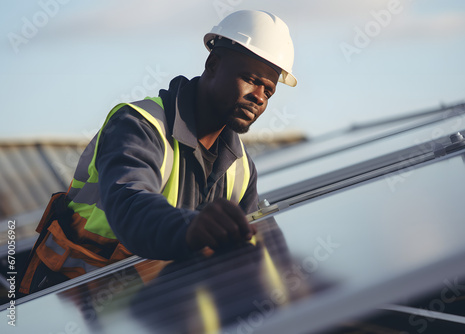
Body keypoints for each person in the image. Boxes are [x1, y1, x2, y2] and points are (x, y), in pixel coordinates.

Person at [19, 9, 296, 294]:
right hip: (71, 305)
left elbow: (262, 249)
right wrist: (193, 228)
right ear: (212, 64)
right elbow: (131, 204)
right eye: (251, 79)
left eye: (269, 91)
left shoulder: (241, 168)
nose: (259, 98)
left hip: (155, 310)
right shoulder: (138, 125)